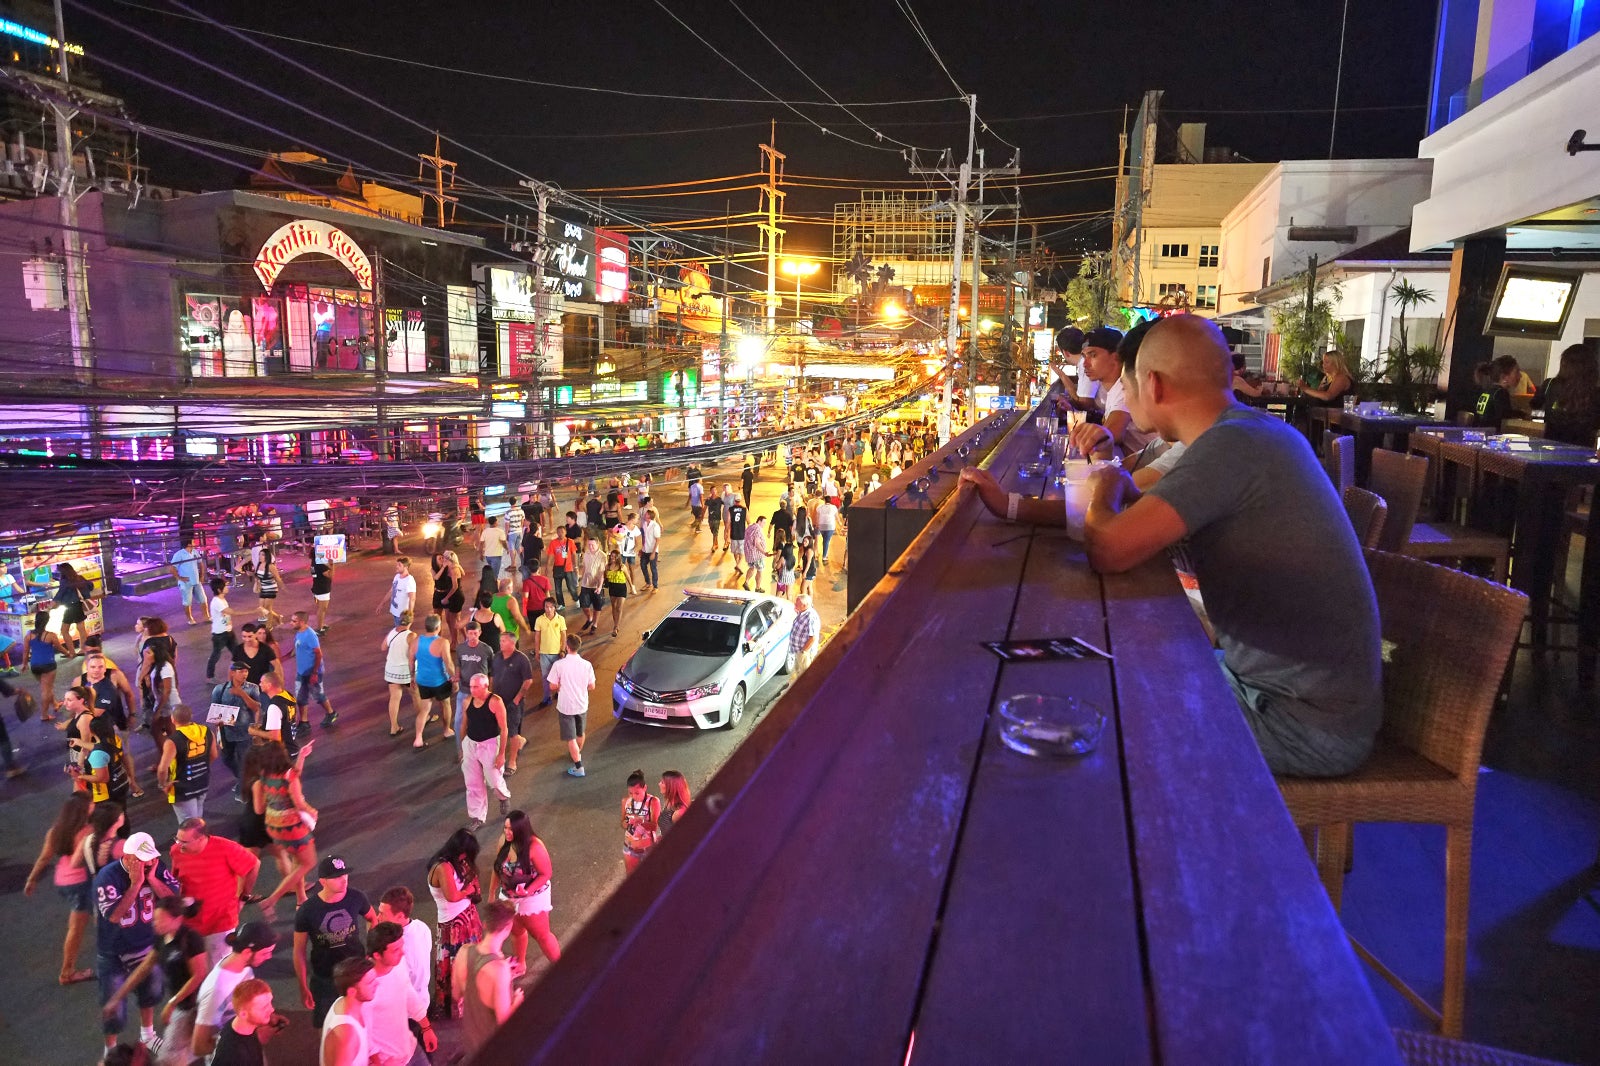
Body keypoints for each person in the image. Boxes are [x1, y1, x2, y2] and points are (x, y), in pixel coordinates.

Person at [1070, 315, 1382, 777]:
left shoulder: (1231, 447)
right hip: (1298, 696)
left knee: (1101, 713)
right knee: (1117, 672)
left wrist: (1105, 483)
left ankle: (1178, 843)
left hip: (1301, 723)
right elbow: (1143, 520)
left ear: (1152, 384)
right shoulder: (1249, 432)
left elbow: (1109, 549)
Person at [94, 831, 182, 1051]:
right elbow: (114, 915)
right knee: (114, 1007)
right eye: (144, 859)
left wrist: (151, 878)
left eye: (152, 857)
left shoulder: (155, 867)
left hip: (146, 944)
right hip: (114, 951)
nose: (151, 861)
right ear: (129, 857)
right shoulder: (107, 877)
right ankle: (111, 1049)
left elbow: (173, 899)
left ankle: (147, 1034)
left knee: (150, 993)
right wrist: (135, 885)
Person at [101, 895, 209, 1065]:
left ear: (177, 919)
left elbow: (199, 974)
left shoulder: (191, 939)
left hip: (193, 1005)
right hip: (182, 1005)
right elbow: (143, 968)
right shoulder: (161, 939)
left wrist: (172, 1003)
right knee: (191, 1048)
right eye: (154, 918)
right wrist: (116, 998)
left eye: (160, 919)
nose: (154, 923)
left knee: (170, 1055)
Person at [24, 792, 96, 985]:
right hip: (81, 882)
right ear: (83, 810)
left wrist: (32, 879)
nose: (93, 806)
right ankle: (67, 972)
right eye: (90, 804)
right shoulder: (87, 831)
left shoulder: (55, 831)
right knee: (77, 928)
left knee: (88, 920)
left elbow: (44, 858)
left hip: (63, 882)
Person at [295, 855, 376, 1026]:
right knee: (326, 1024)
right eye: (337, 877)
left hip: (356, 973)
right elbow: (298, 951)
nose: (343, 880)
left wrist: (371, 950)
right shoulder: (307, 910)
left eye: (345, 874)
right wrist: (303, 986)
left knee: (362, 1018)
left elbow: (372, 918)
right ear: (322, 881)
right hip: (325, 977)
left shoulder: (356, 897)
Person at [168, 817, 260, 964]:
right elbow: (176, 880)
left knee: (219, 967)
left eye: (184, 841)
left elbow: (254, 865)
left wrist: (244, 897)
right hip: (191, 921)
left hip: (220, 922)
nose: (179, 845)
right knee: (195, 968)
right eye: (177, 839)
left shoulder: (225, 848)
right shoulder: (176, 851)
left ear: (200, 838)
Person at [192, 924, 279, 1062]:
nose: (269, 957)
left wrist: (268, 1015)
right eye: (265, 953)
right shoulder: (217, 990)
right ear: (247, 952)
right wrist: (252, 1039)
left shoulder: (243, 967)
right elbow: (199, 1046)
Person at [489, 809, 560, 974]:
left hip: (533, 897)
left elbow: (546, 873)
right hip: (508, 895)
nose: (507, 832)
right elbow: (497, 869)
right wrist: (492, 894)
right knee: (516, 930)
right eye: (505, 828)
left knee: (542, 935)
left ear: (521, 830)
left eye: (510, 829)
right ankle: (521, 964)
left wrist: (527, 891)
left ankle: (561, 970)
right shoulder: (503, 842)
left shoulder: (535, 847)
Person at [255, 740, 319, 918]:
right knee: (308, 862)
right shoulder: (288, 775)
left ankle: (301, 899)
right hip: (292, 827)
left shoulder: (264, 775)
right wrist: (312, 811)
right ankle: (272, 900)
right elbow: (298, 802)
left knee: (297, 861)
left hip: (274, 825)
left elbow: (293, 776)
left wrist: (302, 756)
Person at [426, 829, 484, 1017]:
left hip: (467, 919)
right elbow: (452, 896)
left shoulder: (456, 862)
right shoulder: (443, 867)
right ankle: (458, 1004)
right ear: (460, 850)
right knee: (457, 965)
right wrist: (468, 891)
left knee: (468, 962)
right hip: (453, 926)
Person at [453, 900, 522, 1057]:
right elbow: (503, 1020)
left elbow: (457, 994)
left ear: (484, 925)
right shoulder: (500, 970)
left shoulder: (464, 951)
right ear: (507, 928)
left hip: (472, 1042)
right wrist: (517, 1000)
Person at [366, 921, 437, 1066]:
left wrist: (426, 1027)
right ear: (377, 955)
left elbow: (408, 993)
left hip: (410, 1048)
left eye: (401, 946)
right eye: (395, 950)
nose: (403, 952)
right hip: (387, 1061)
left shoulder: (398, 963)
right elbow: (362, 1032)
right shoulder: (365, 986)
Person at [459, 672, 511, 831]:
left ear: (485, 686)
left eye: (476, 687)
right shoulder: (468, 701)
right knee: (472, 782)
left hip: (489, 745)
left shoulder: (495, 702)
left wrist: (501, 754)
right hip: (471, 744)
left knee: (494, 780)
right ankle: (477, 817)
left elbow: (504, 729)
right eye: (471, 686)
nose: (472, 690)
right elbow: (463, 725)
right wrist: (462, 747)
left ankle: (503, 797)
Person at [374, 886, 433, 1017]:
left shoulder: (395, 948)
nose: (378, 917)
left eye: (382, 913)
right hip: (422, 1003)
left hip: (403, 1013)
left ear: (400, 916)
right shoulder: (422, 927)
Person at [157, 704, 217, 823]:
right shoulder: (207, 731)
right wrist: (201, 767)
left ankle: (190, 840)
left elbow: (162, 769)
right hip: (202, 781)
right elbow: (214, 755)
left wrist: (163, 784)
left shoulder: (173, 741)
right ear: (191, 717)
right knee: (198, 819)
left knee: (188, 825)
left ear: (173, 719)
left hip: (182, 787)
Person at [1533, 342, 1600, 446]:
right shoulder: (1595, 392)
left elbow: (1534, 406)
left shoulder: (1550, 384)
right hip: (1583, 450)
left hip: (1550, 445)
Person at [211, 661, 261, 799]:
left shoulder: (252, 688)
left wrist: (242, 694)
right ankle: (242, 779)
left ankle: (243, 788)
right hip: (225, 732)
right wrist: (217, 730)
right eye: (241, 671)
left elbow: (257, 708)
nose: (245, 674)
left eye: (246, 671)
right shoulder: (219, 689)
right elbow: (215, 711)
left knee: (244, 760)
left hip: (245, 732)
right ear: (232, 673)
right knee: (226, 759)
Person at [208, 977, 284, 1066]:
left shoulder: (239, 1024)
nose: (272, 1009)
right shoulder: (234, 1055)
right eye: (264, 1007)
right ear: (244, 1014)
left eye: (270, 1003)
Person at [547, 635, 594, 778]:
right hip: (582, 704)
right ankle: (576, 753)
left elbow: (552, 685)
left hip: (566, 705)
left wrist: (560, 685)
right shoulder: (587, 665)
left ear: (567, 647)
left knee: (570, 738)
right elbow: (591, 686)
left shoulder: (559, 665)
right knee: (580, 733)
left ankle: (578, 766)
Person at [490, 629, 535, 774]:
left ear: (512, 642)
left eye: (503, 641)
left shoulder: (521, 659)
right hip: (497, 702)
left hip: (513, 703)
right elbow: (492, 677)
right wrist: (490, 695)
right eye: (500, 641)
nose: (500, 643)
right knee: (497, 730)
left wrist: (516, 699)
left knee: (512, 732)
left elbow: (528, 680)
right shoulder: (496, 657)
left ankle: (512, 762)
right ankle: (518, 743)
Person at [320, 956, 378, 1066]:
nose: (377, 984)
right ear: (352, 992)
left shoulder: (343, 1002)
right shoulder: (347, 1034)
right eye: (370, 982)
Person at [412, 614, 458, 749]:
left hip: (423, 680)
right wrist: (454, 680)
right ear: (438, 627)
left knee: (424, 709)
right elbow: (448, 664)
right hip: (440, 681)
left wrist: (411, 677)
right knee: (445, 704)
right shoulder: (442, 642)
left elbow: (410, 660)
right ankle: (446, 730)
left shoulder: (416, 641)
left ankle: (418, 738)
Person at [292, 611, 338, 728]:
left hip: (311, 671)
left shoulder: (310, 635)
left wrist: (314, 673)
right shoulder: (299, 632)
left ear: (302, 622)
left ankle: (331, 713)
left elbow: (318, 654)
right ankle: (304, 722)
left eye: (294, 621)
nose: (291, 623)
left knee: (317, 695)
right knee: (300, 697)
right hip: (301, 671)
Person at [384, 612, 422, 738]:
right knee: (415, 695)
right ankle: (423, 717)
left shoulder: (392, 632)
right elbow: (413, 655)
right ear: (411, 622)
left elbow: (383, 647)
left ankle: (393, 726)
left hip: (391, 670)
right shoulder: (411, 635)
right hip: (405, 671)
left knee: (394, 698)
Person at [22, 609, 62, 720]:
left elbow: (25, 652)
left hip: (35, 666)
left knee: (46, 686)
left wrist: (24, 664)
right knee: (46, 689)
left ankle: (55, 704)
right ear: (46, 621)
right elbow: (60, 648)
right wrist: (69, 653)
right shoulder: (51, 635)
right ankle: (44, 715)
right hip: (48, 665)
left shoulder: (28, 636)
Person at [620, 769, 661, 874]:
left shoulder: (653, 802)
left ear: (645, 788)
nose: (634, 796)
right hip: (629, 848)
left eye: (637, 793)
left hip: (648, 849)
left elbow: (654, 827)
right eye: (630, 793)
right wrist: (626, 823)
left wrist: (641, 821)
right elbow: (622, 823)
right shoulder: (625, 801)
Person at [54, 561, 96, 659]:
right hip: (79, 606)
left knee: (64, 630)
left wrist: (51, 605)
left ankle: (72, 652)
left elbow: (59, 594)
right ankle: (83, 649)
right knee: (81, 628)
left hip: (70, 607)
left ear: (63, 573)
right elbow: (90, 586)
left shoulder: (65, 582)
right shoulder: (79, 578)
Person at [532, 598, 566, 712]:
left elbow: (563, 635)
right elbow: (537, 637)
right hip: (544, 653)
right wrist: (537, 651)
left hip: (557, 653)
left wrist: (563, 650)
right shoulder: (539, 620)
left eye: (551, 607)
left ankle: (559, 693)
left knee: (559, 676)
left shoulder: (561, 619)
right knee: (545, 676)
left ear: (555, 607)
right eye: (546, 607)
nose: (548, 609)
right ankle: (547, 697)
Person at [169, 537, 209, 626]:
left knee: (203, 599)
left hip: (196, 580)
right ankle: (190, 619)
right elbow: (172, 567)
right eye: (193, 541)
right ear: (188, 544)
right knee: (187, 601)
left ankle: (206, 616)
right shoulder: (179, 554)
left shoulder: (195, 552)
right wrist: (179, 578)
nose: (195, 542)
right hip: (186, 583)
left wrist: (202, 575)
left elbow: (200, 563)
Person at [1473, 356, 1519, 430]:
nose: (1520, 376)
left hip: (1480, 433)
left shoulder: (1488, 391)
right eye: (1517, 372)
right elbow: (1505, 419)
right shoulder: (1501, 393)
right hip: (1492, 436)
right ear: (1504, 377)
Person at [490, 575, 529, 647]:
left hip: (496, 633)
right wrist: (526, 629)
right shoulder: (511, 600)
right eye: (512, 586)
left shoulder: (492, 597)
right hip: (510, 633)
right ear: (508, 588)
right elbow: (518, 618)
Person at [378, 557, 417, 630]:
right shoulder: (397, 577)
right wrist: (382, 603)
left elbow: (412, 598)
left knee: (401, 634)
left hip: (402, 615)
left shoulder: (409, 581)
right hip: (395, 612)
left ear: (406, 567)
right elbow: (391, 591)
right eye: (397, 564)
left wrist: (409, 614)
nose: (396, 566)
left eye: (399, 565)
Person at [578, 537, 606, 635]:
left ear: (598, 544)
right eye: (589, 545)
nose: (590, 547)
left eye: (592, 545)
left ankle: (595, 624)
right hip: (586, 584)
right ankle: (589, 618)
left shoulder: (603, 556)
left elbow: (602, 573)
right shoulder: (586, 554)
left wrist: (599, 586)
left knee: (597, 607)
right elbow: (584, 567)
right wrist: (581, 577)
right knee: (584, 605)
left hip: (596, 585)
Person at [603, 547, 633, 638]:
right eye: (611, 556)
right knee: (614, 607)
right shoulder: (607, 567)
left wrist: (632, 586)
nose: (612, 558)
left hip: (621, 588)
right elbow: (605, 578)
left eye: (614, 556)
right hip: (612, 588)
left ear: (618, 557)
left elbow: (628, 577)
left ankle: (616, 627)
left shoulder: (622, 567)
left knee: (619, 608)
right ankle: (616, 623)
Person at [547, 525, 579, 609]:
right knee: (557, 589)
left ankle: (576, 600)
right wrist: (548, 567)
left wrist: (575, 566)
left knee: (571, 587)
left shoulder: (570, 542)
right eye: (558, 532)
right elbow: (550, 556)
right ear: (556, 533)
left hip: (568, 568)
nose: (560, 533)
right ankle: (561, 604)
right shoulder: (553, 543)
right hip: (557, 568)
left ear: (565, 532)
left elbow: (574, 554)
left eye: (562, 532)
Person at [790, 593, 822, 673]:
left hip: (804, 653)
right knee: (797, 672)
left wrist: (803, 651)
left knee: (805, 674)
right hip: (798, 651)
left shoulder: (811, 617)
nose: (795, 604)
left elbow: (813, 637)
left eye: (797, 603)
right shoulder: (802, 612)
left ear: (804, 605)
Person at [742, 514, 771, 593]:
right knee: (760, 571)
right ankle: (758, 587)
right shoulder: (758, 529)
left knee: (751, 568)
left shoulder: (750, 527)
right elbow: (757, 543)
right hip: (757, 555)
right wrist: (764, 552)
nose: (764, 525)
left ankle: (746, 582)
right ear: (759, 521)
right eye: (764, 522)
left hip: (750, 554)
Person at [310, 554, 335, 633]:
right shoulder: (320, 564)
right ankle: (320, 628)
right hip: (322, 590)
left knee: (320, 608)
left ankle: (321, 624)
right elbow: (330, 575)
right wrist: (332, 564)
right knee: (322, 609)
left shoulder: (314, 562)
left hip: (316, 588)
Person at [640, 506, 663, 592]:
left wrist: (653, 553)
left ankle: (655, 586)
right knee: (643, 566)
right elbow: (644, 537)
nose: (644, 515)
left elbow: (657, 540)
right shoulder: (644, 524)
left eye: (646, 514)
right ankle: (648, 583)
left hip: (652, 550)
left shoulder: (655, 526)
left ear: (649, 516)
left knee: (653, 568)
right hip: (645, 550)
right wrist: (642, 548)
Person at [727, 494, 749, 576]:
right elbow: (749, 521)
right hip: (742, 533)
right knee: (742, 551)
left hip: (733, 534)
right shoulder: (744, 509)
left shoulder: (730, 509)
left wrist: (726, 533)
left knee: (735, 551)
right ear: (740, 500)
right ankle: (739, 564)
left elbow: (728, 523)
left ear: (734, 500)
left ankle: (737, 563)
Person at [707, 488, 725, 552]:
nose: (714, 491)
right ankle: (716, 543)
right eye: (712, 490)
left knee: (715, 531)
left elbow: (726, 503)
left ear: (717, 491)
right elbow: (705, 507)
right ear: (710, 491)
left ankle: (714, 545)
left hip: (717, 518)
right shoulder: (709, 499)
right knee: (712, 530)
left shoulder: (719, 499)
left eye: (715, 490)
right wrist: (702, 516)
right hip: (710, 518)